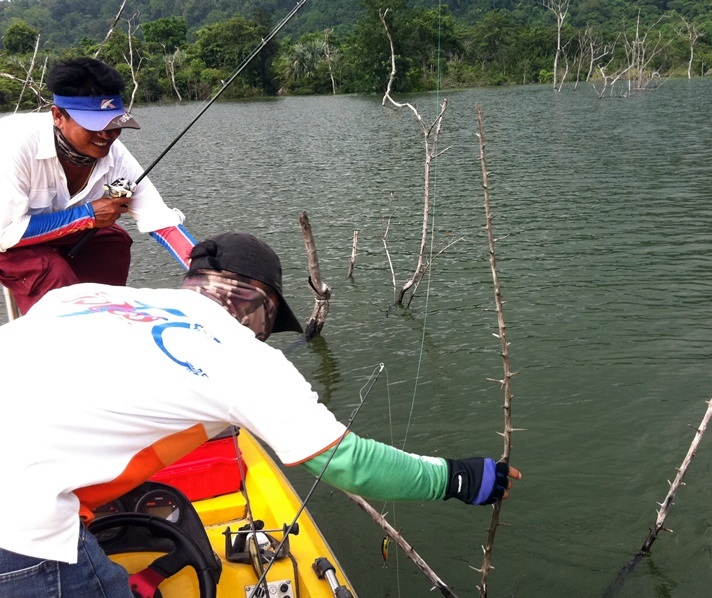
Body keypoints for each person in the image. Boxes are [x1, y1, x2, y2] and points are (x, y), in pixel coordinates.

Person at [0, 231, 521, 597]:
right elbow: (350, 463)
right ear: (258, 304)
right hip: (20, 528)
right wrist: (460, 478)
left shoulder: (88, 297)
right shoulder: (241, 355)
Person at [0, 57, 196, 315]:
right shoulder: (14, 144)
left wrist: (205, 268)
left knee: (112, 242)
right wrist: (87, 215)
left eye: (115, 123)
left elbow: (159, 219)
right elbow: (7, 233)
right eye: (93, 124)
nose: (107, 135)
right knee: (51, 271)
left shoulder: (115, 158)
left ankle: (102, 318)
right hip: (6, 238)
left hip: (46, 232)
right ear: (58, 116)